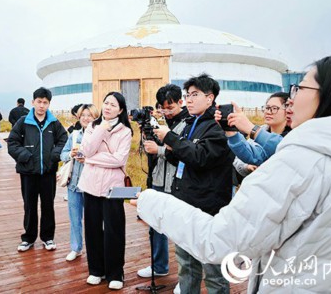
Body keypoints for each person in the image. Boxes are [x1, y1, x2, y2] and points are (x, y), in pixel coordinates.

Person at [136, 54, 331, 292]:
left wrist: (150, 202)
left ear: (329, 96)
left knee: (213, 275)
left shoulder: (302, 161)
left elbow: (222, 240)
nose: (291, 100)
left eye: (299, 89)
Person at [152, 74, 233, 294]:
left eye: (194, 95)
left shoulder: (217, 127)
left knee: (214, 271)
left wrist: (170, 139)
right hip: (185, 205)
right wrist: (170, 150)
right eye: (187, 95)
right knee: (187, 267)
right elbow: (185, 157)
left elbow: (200, 157)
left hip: (208, 210)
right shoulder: (190, 124)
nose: (188, 99)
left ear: (210, 98)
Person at [77, 92, 133, 290]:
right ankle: (95, 270)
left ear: (121, 110)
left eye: (113, 104)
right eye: (106, 103)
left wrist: (90, 160)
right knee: (92, 229)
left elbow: (119, 160)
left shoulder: (125, 131)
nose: (108, 107)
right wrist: (101, 129)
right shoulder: (93, 126)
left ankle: (115, 273)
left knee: (114, 230)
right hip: (91, 185)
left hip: (113, 188)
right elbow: (86, 149)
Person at [137, 84, 190, 280]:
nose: (166, 112)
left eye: (170, 107)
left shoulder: (188, 123)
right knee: (155, 224)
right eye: (162, 108)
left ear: (180, 102)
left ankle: (186, 278)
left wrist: (158, 150)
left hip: (178, 183)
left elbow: (185, 153)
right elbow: (156, 150)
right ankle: (159, 266)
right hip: (159, 179)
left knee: (181, 229)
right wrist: (147, 135)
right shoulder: (159, 122)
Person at [8, 87, 67, 252]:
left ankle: (48, 238)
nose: (42, 105)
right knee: (29, 205)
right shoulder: (23, 122)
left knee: (48, 205)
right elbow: (12, 143)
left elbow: (63, 140)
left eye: (45, 102)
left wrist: (55, 154)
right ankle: (28, 238)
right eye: (39, 102)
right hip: (28, 173)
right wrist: (25, 155)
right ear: (33, 102)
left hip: (48, 172)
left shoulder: (54, 123)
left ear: (49, 104)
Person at [60, 104, 100, 261]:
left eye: (89, 115)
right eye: (83, 115)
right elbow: (62, 154)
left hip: (92, 185)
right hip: (74, 183)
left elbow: (104, 159)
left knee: (93, 220)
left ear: (95, 118)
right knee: (75, 218)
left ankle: (94, 249)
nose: (85, 118)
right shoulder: (74, 135)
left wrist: (87, 159)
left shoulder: (100, 136)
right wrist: (70, 153)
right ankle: (76, 248)